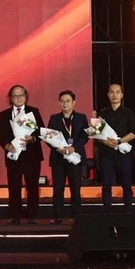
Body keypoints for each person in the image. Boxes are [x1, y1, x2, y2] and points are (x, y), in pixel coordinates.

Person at [0, 85, 42, 224]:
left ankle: (32, 216)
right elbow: (0, 135)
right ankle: (15, 216)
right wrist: (6, 145)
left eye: (21, 95)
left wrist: (32, 138)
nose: (19, 98)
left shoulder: (34, 111)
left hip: (31, 156)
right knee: (14, 186)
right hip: (14, 155)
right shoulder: (4, 114)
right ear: (10, 98)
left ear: (26, 96)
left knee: (32, 186)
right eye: (15, 96)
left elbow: (40, 131)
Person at [46, 90, 89, 223]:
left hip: (74, 157)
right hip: (58, 158)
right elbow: (48, 137)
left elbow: (84, 137)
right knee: (58, 189)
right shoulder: (54, 118)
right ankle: (57, 216)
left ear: (74, 102)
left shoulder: (81, 117)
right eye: (62, 101)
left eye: (68, 101)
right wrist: (58, 148)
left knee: (75, 188)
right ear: (59, 103)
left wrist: (73, 148)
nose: (65, 104)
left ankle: (76, 216)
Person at [97, 83, 135, 212]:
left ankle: (128, 211)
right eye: (112, 92)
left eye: (117, 92)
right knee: (106, 185)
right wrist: (105, 142)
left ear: (121, 95)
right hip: (107, 155)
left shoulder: (128, 113)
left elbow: (133, 133)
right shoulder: (102, 113)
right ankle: (107, 212)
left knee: (126, 184)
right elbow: (97, 133)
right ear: (108, 95)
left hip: (123, 155)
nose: (114, 95)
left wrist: (119, 141)